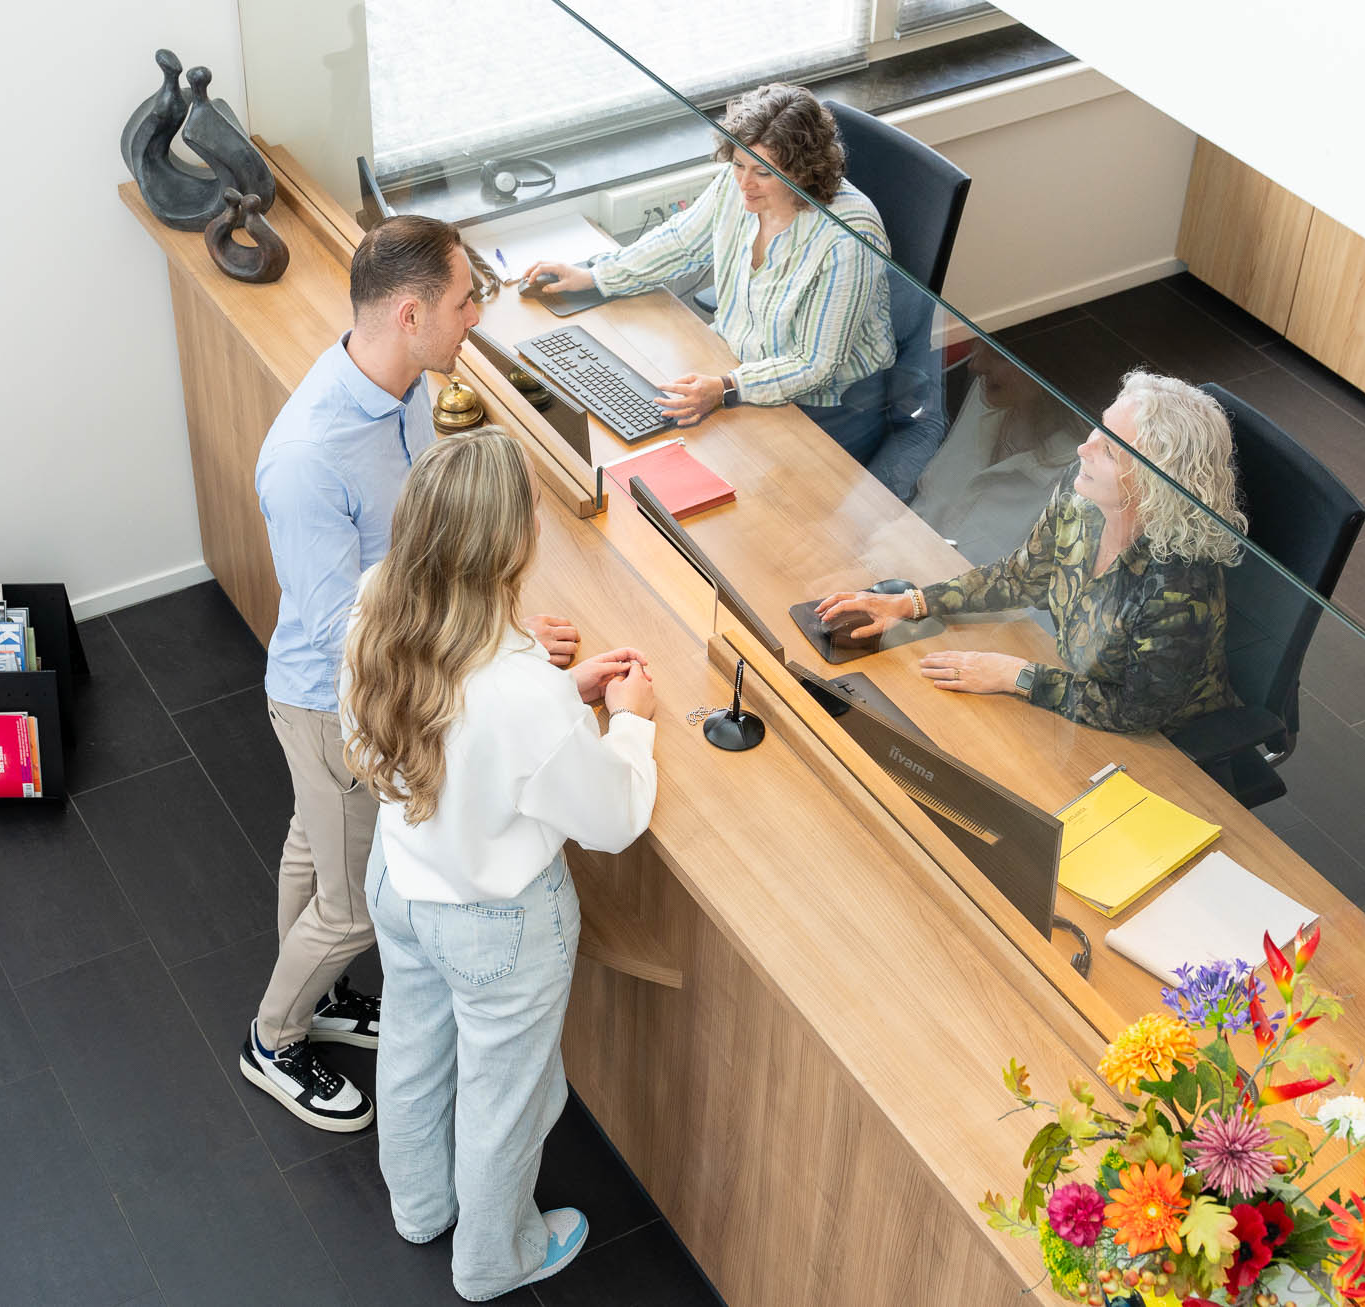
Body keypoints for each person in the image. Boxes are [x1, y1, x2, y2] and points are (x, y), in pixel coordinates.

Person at [243, 216, 579, 1133]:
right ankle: (275, 1038)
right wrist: (490, 655)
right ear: (409, 312)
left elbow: (424, 557)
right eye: (466, 300)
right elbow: (339, 630)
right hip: (333, 705)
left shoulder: (407, 390)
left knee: (314, 851)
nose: (477, 315)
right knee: (352, 909)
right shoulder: (310, 456)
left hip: (354, 689)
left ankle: (318, 998)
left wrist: (498, 625)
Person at [339, 426, 657, 1301]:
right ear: (507, 546)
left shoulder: (378, 602)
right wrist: (627, 718)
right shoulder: (523, 692)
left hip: (401, 884)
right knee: (501, 1098)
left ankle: (418, 1207)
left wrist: (563, 688)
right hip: (499, 926)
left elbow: (458, 714)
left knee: (411, 1046)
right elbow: (615, 815)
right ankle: (491, 1261)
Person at [816, 371, 1246, 735]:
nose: (1084, 448)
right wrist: (912, 603)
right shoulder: (1083, 502)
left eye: (1110, 449)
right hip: (1072, 688)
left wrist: (1013, 676)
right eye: (1099, 427)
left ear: (1156, 487)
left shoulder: (1180, 586)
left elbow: (1136, 711)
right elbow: (1021, 577)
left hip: (1161, 743)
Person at [522, 83, 893, 456]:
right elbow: (682, 242)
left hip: (827, 404)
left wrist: (726, 387)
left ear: (802, 171)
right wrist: (596, 276)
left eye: (762, 172)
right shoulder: (739, 187)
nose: (744, 184)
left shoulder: (848, 237)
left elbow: (815, 364)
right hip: (734, 365)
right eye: (737, 165)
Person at [906, 341, 1088, 566]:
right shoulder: (990, 395)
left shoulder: (1081, 477)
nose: (975, 364)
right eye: (980, 343)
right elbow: (928, 497)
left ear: (1051, 368)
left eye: (999, 354)